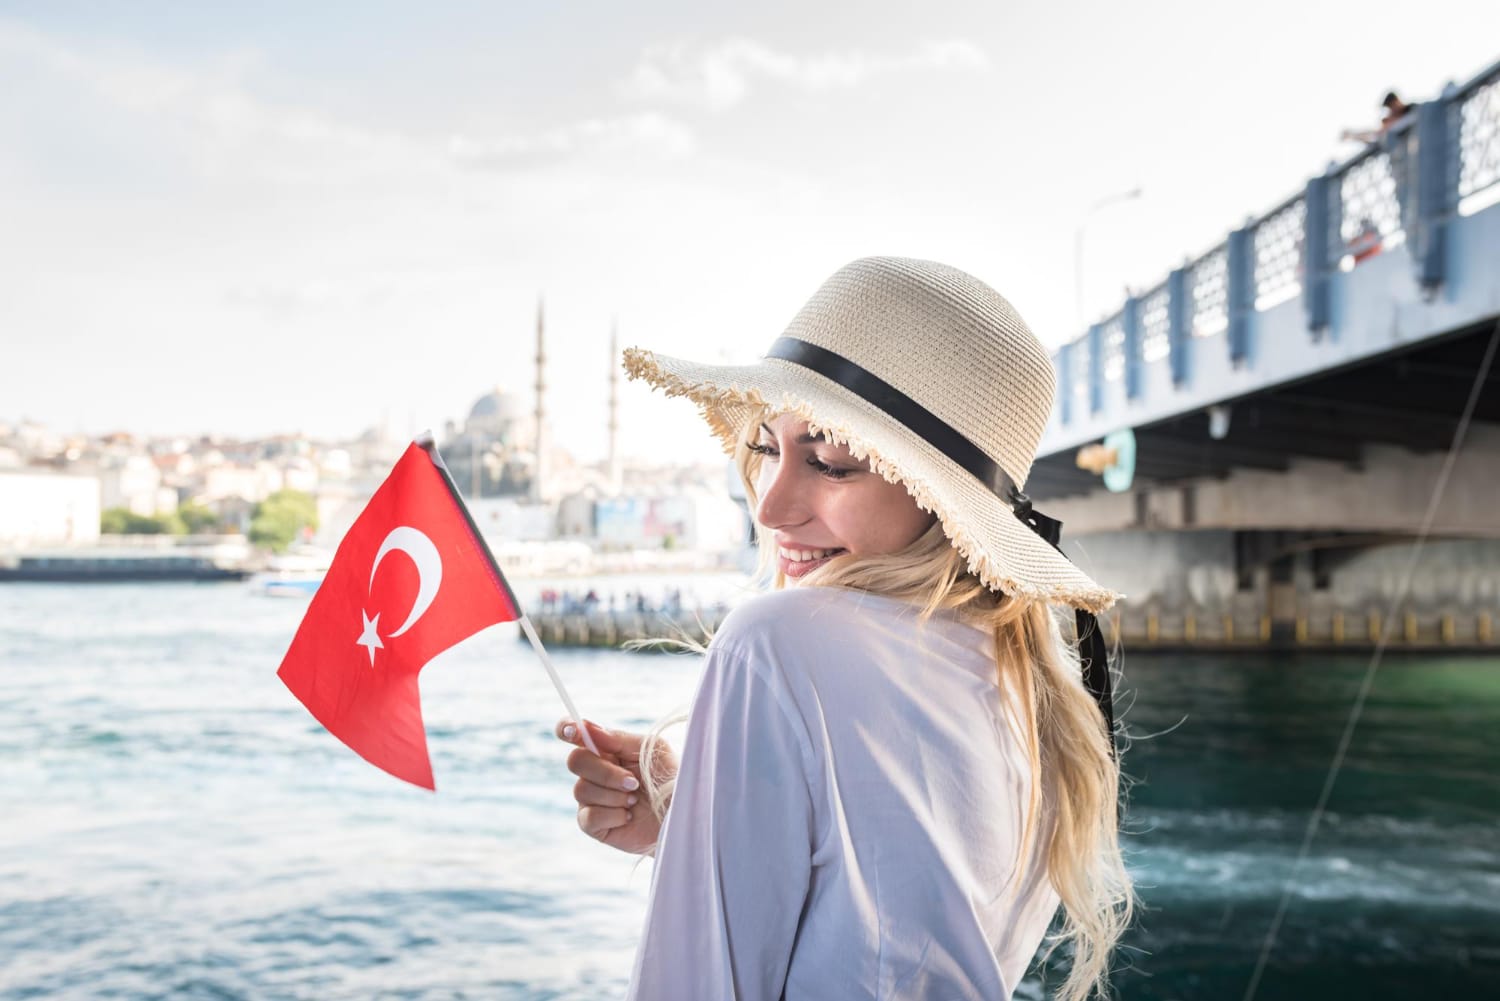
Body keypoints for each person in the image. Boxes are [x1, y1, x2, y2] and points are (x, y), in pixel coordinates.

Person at [557, 257, 1135, 1000]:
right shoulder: (1033, 685)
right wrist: (704, 825)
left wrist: (710, 845)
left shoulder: (778, 643)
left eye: (829, 461)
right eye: (767, 448)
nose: (769, 507)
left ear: (942, 502)